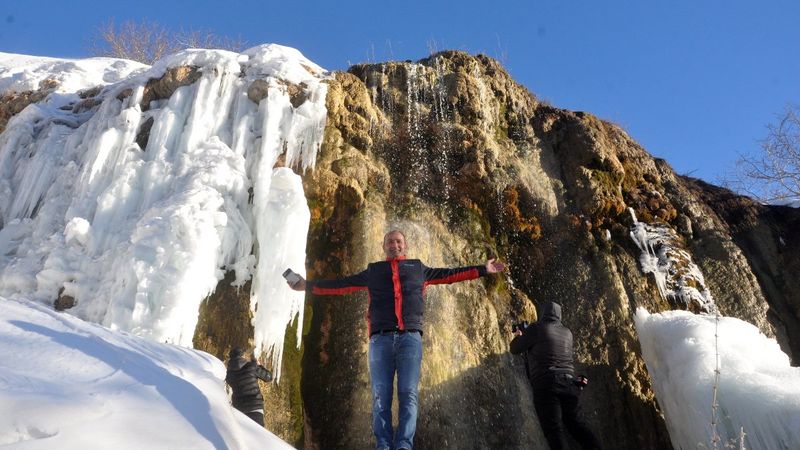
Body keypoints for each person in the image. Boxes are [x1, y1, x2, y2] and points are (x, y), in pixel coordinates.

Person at [288, 229, 506, 450]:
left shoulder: (418, 268)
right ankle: (383, 445)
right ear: (384, 246)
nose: (395, 244)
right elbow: (342, 284)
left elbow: (449, 275)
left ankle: (403, 446)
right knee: (380, 396)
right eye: (390, 241)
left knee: (408, 394)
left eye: (399, 241)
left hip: (410, 339)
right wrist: (308, 286)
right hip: (380, 341)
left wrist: (482, 269)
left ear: (405, 245)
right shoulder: (373, 271)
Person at [510, 302, 602, 450]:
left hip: (547, 384)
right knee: (577, 426)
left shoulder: (536, 328)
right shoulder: (567, 333)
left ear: (543, 314)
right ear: (559, 315)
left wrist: (520, 335)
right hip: (570, 385)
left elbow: (515, 349)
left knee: (554, 430)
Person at [225, 347, 273, 426]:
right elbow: (268, 377)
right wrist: (258, 365)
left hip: (239, 410)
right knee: (258, 435)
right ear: (242, 356)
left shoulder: (229, 375)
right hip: (255, 406)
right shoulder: (252, 367)